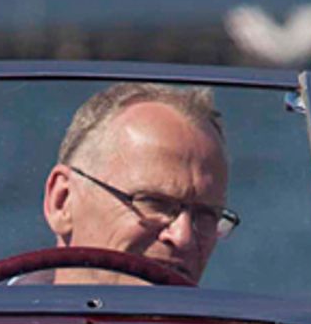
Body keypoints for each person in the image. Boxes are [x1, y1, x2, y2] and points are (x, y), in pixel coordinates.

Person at [36, 82, 236, 286]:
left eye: (206, 215)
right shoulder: (5, 312)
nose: (183, 238)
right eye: (154, 203)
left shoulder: (251, 315)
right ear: (62, 201)